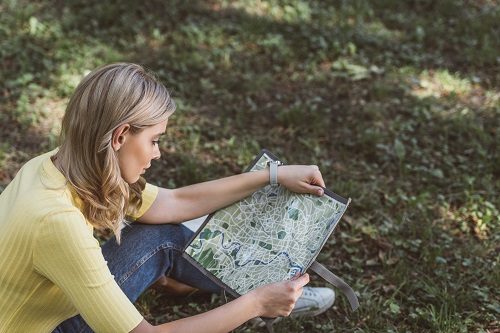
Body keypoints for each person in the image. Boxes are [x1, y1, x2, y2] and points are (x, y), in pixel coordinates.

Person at [0, 63, 335, 333]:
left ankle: (260, 284)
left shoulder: (57, 163)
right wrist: (256, 304)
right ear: (120, 136)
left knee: (163, 234)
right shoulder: (57, 222)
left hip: (49, 305)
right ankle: (264, 298)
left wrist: (271, 176)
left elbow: (173, 204)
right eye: (154, 140)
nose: (157, 154)